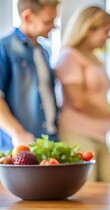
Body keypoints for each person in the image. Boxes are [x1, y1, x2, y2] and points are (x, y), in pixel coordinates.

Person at [55, 6, 110, 182]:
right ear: (89, 29)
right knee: (87, 193)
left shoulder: (95, 59)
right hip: (77, 135)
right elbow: (79, 102)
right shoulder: (69, 57)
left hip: (100, 137)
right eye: (106, 31)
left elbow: (102, 104)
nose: (108, 37)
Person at [0, 0, 59, 152]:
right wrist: (17, 132)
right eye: (48, 21)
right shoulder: (5, 48)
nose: (54, 26)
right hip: (17, 146)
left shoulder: (44, 52)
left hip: (48, 140)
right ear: (27, 17)